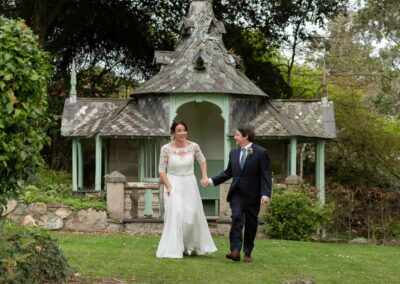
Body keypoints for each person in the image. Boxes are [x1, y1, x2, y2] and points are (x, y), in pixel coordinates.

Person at [209, 125, 271, 263]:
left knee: (251, 223)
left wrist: (265, 193)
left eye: (237, 134)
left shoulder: (261, 153)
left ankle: (247, 252)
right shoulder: (233, 153)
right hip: (236, 193)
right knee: (236, 218)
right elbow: (228, 172)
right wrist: (212, 180)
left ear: (245, 136)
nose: (234, 137)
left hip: (253, 195)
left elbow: (265, 175)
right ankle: (235, 250)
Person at [156, 120, 217, 258]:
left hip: (189, 182)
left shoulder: (193, 146)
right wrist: (168, 186)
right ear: (173, 133)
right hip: (173, 183)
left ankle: (189, 245)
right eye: (179, 130)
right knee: (177, 215)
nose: (182, 133)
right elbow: (161, 170)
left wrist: (204, 175)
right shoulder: (166, 149)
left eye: (184, 130)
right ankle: (176, 246)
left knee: (191, 214)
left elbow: (202, 160)